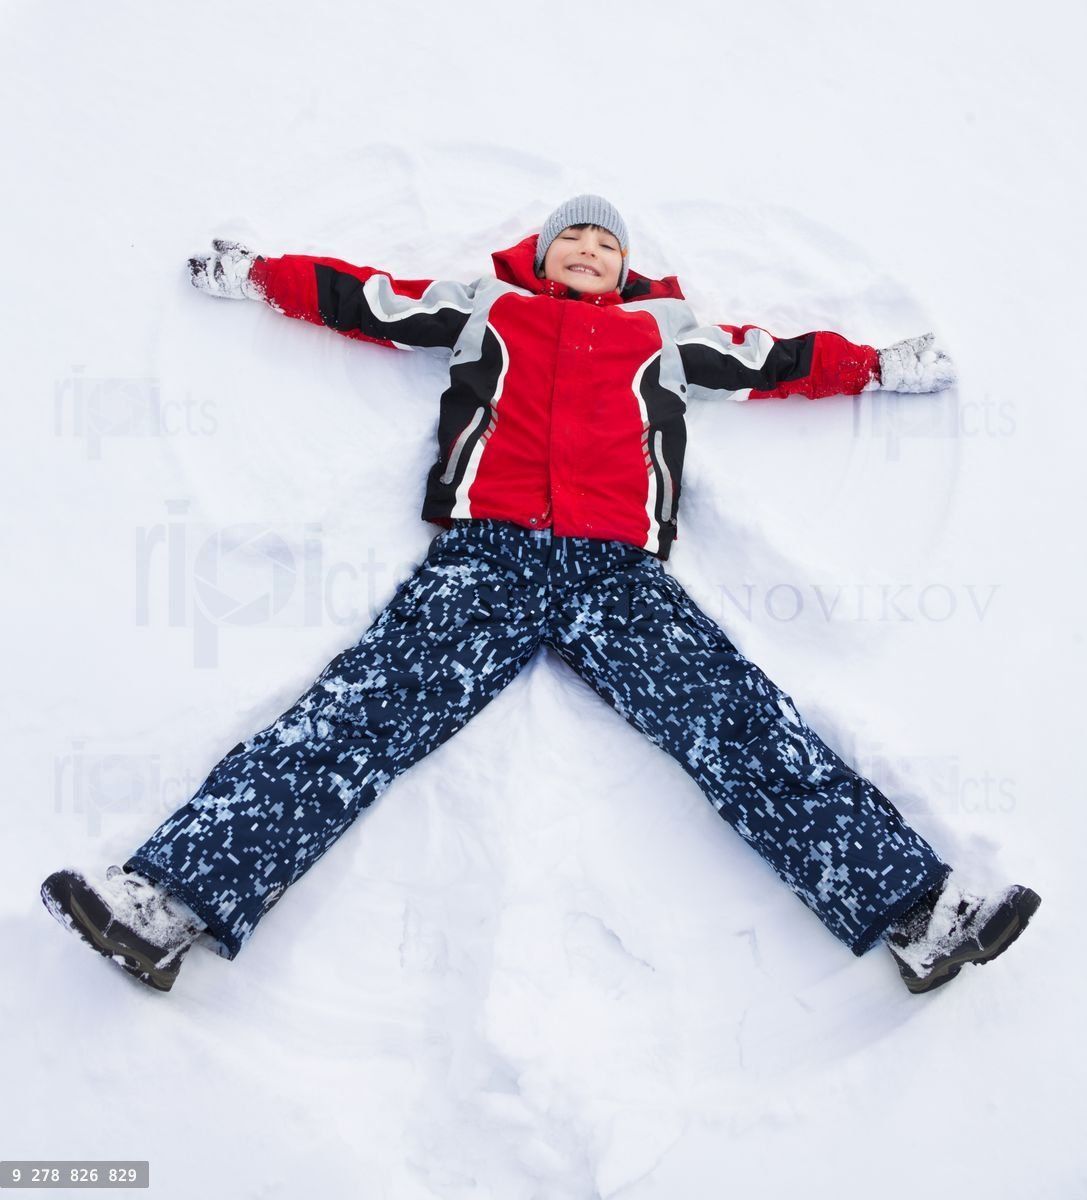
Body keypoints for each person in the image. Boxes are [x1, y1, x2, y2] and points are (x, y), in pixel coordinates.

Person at [40, 195, 1040, 995]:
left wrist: (881, 366)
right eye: (573, 239)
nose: (588, 251)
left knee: (734, 724)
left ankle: (920, 914)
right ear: (541, 254)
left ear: (626, 268)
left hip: (615, 572)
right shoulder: (490, 308)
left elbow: (779, 360)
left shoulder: (662, 334)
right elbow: (363, 298)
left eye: (605, 244)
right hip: (488, 558)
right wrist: (261, 274)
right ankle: (163, 907)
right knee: (354, 721)